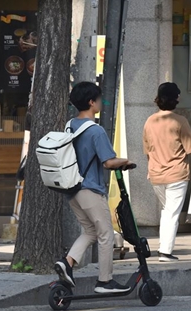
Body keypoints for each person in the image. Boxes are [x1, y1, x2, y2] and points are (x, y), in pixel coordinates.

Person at [54, 82, 132, 293]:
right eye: (98, 99)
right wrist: (126, 160)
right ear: (91, 102)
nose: (100, 103)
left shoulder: (70, 125)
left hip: (72, 190)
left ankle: (67, 262)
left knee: (90, 231)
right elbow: (108, 162)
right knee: (106, 233)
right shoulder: (96, 131)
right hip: (90, 189)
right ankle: (105, 281)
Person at [142, 82, 191, 262]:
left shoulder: (150, 121)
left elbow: (148, 150)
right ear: (175, 98)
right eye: (178, 95)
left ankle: (164, 248)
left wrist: (150, 169)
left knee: (167, 211)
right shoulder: (180, 121)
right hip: (176, 174)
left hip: (156, 174)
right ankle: (165, 251)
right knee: (171, 213)